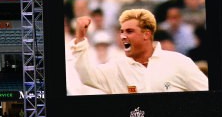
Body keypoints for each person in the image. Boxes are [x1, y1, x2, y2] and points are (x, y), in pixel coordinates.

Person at [69, 8, 208, 95]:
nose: (123, 36)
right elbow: (86, 76)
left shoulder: (179, 62)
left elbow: (208, 96)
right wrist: (80, 38)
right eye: (121, 32)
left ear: (146, 34)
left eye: (129, 31)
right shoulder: (116, 67)